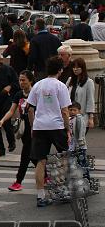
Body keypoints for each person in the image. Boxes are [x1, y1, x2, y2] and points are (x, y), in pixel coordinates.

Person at [27, 55, 71, 207]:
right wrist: (68, 129)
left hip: (40, 126)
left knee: (40, 161)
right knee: (63, 159)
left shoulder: (38, 85)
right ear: (60, 70)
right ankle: (63, 191)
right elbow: (65, 111)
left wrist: (33, 126)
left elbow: (30, 109)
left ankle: (40, 196)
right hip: (57, 126)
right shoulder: (61, 86)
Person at [0, 70, 35, 191]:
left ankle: (18, 181)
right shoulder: (19, 94)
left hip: (35, 127)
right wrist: (3, 120)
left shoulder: (36, 93)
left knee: (25, 155)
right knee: (33, 155)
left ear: (30, 80)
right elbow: (11, 110)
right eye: (20, 80)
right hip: (24, 128)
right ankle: (45, 176)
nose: (21, 82)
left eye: (23, 80)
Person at [66, 58, 95, 130]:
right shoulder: (70, 80)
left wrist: (91, 118)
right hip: (69, 116)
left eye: (78, 67)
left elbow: (90, 100)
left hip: (82, 116)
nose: (75, 69)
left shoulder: (89, 82)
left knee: (80, 139)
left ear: (83, 68)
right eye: (74, 67)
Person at [68, 101, 89, 180]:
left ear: (79, 111)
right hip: (71, 146)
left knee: (82, 163)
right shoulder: (69, 119)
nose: (72, 112)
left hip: (80, 146)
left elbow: (82, 130)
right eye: (70, 110)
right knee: (72, 163)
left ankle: (87, 179)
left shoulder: (79, 118)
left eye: (74, 110)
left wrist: (80, 141)